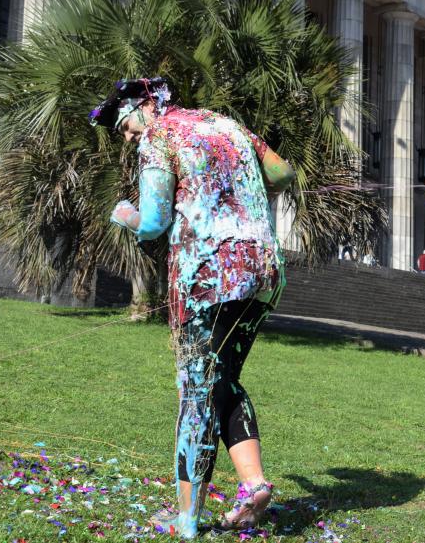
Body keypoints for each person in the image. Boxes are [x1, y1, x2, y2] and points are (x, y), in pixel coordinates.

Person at [90, 78, 295, 538]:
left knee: (195, 391)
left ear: (145, 105)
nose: (127, 137)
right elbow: (282, 174)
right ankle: (254, 485)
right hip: (264, 270)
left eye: (124, 126)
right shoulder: (224, 123)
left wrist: (124, 213)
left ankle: (186, 519)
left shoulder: (159, 137)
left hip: (209, 276)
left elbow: (155, 221)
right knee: (223, 380)